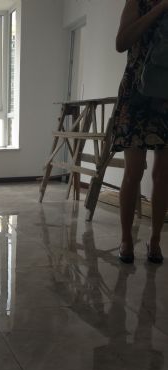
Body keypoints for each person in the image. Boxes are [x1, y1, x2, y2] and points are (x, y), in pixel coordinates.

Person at [113, 0, 168, 263]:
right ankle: (126, 239)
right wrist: (161, 8)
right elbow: (121, 42)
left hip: (166, 96)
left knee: (164, 175)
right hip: (136, 94)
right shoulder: (137, 0)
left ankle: (155, 240)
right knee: (133, 172)